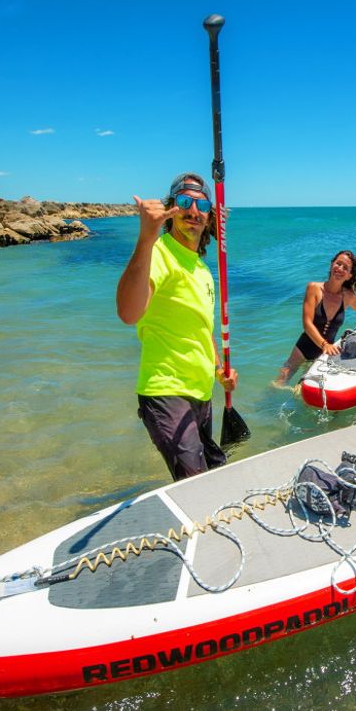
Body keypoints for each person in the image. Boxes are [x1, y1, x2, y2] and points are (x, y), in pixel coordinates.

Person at [116, 172, 238, 481]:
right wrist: (146, 237)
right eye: (185, 202)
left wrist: (218, 370)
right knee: (195, 487)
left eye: (202, 205)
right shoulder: (159, 253)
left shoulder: (202, 269)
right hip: (166, 392)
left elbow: (202, 329)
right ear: (172, 209)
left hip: (201, 395)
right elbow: (128, 313)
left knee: (210, 479)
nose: (193, 211)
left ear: (210, 216)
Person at [275, 250, 356, 384]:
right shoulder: (314, 288)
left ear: (349, 275)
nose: (340, 268)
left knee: (302, 390)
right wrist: (324, 344)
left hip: (324, 354)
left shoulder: (347, 296)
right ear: (331, 265)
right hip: (303, 348)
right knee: (278, 384)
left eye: (345, 268)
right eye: (338, 264)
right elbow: (307, 323)